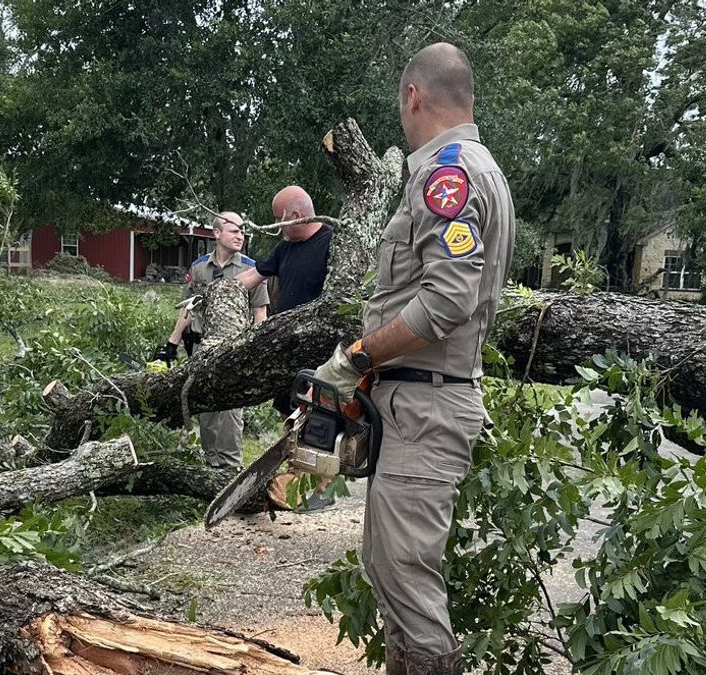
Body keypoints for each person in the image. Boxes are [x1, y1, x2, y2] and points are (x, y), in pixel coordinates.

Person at [311, 43, 515, 674]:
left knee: (406, 576)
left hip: (428, 402)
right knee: (389, 566)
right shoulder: (477, 168)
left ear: (413, 96)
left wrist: (356, 355)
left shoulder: (446, 175)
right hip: (415, 398)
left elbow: (446, 302)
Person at [235, 186, 336, 511]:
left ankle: (321, 488)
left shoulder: (332, 244)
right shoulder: (285, 248)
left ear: (295, 215)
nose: (277, 226)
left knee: (320, 419)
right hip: (287, 351)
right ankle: (295, 475)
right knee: (289, 413)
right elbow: (254, 274)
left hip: (321, 351)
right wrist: (221, 292)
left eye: (279, 220)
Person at [152, 212, 269, 472]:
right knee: (205, 409)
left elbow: (260, 313)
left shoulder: (252, 268)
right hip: (201, 349)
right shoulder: (199, 268)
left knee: (229, 412)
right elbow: (188, 310)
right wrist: (171, 345)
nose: (240, 235)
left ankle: (229, 470)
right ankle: (209, 467)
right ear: (216, 233)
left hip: (235, 351)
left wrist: (258, 349)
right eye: (234, 230)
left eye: (242, 231)